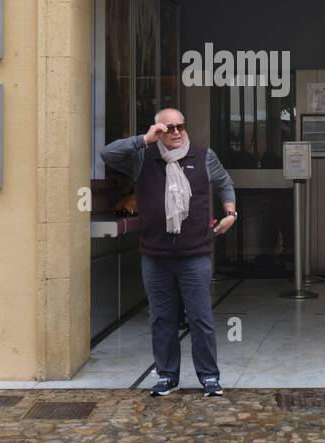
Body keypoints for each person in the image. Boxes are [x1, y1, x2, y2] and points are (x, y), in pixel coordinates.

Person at [101, 109, 236, 397]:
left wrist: (230, 213)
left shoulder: (202, 156)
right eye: (168, 128)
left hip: (195, 253)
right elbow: (107, 154)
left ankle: (209, 377)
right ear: (158, 130)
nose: (175, 132)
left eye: (180, 127)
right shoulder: (143, 158)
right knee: (162, 318)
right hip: (155, 255)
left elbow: (224, 182)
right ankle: (166, 375)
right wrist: (144, 139)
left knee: (200, 318)